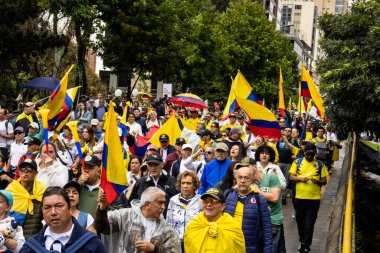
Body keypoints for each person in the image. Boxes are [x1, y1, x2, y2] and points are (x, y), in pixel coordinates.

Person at [20, 186, 106, 253]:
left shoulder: (92, 244)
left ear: (69, 207)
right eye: (47, 208)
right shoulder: (30, 247)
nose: (53, 212)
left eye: (59, 206)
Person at [95, 187, 181, 252]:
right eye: (160, 203)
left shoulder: (166, 229)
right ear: (147, 205)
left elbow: (173, 251)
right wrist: (102, 209)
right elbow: (102, 228)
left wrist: (154, 249)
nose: (163, 207)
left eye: (164, 203)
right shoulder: (125, 216)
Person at [289, 142, 328, 253]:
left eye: (312, 155)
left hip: (314, 199)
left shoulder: (320, 164)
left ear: (314, 153)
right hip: (299, 198)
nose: (310, 157)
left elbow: (324, 181)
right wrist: (301, 179)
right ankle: (302, 241)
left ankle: (306, 245)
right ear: (304, 153)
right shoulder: (297, 162)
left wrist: (318, 181)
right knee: (300, 222)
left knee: (309, 223)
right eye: (307, 155)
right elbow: (291, 177)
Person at [224, 166, 273, 253]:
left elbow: (267, 228)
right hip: (229, 246)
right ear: (236, 178)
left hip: (250, 248)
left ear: (252, 179)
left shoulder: (259, 199)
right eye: (240, 177)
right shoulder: (227, 194)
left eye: (246, 178)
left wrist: (267, 250)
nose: (243, 181)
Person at [184, 187, 245, 253]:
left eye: (213, 201)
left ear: (222, 206)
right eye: (206, 201)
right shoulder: (194, 225)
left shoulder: (232, 226)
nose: (209, 204)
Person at [250, 158, 285, 253]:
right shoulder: (250, 184)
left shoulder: (271, 177)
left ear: (254, 167)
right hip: (257, 223)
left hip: (273, 222)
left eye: (247, 168)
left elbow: (274, 198)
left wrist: (258, 191)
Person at [6, 158, 47, 239]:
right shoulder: (11, 189)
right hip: (11, 237)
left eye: (30, 169)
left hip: (33, 238)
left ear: (36, 173)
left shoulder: (41, 191)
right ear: (19, 171)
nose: (26, 172)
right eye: (23, 169)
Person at [166, 171, 203, 251]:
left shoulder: (201, 201)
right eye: (183, 183)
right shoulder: (173, 200)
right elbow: (169, 222)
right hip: (176, 242)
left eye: (189, 183)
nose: (185, 186)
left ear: (194, 185)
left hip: (194, 242)